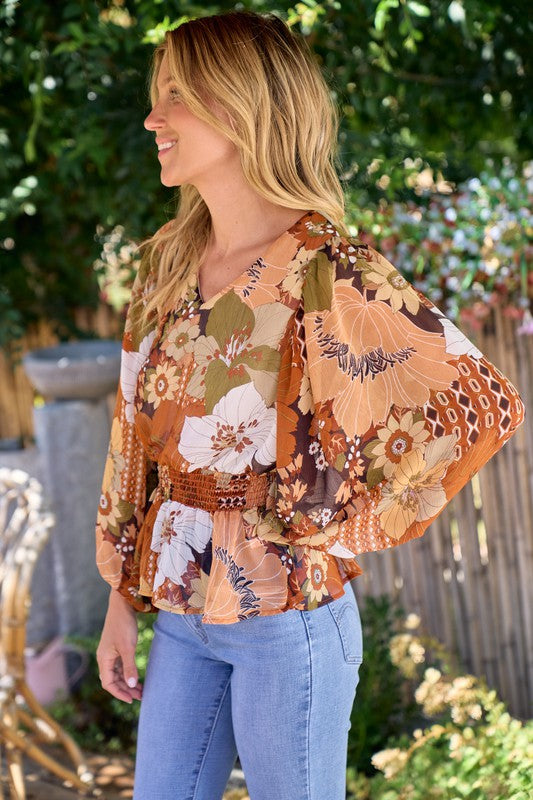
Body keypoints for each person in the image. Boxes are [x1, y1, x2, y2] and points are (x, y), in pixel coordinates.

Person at [94, 10, 526, 800]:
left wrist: (333, 519)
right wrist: (122, 600)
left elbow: (475, 405)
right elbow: (133, 439)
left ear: (243, 105)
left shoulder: (326, 268)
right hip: (182, 610)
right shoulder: (164, 265)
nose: (153, 118)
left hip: (286, 614)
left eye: (177, 95)